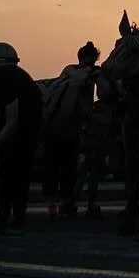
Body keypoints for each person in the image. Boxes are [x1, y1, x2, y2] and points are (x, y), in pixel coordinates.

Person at [0, 42, 41, 232]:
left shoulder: (5, 81)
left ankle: (15, 215)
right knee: (7, 172)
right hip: (10, 127)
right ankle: (6, 214)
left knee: (17, 172)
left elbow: (12, 122)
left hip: (25, 129)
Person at [40, 42, 101, 217]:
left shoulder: (68, 71)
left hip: (55, 129)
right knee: (67, 168)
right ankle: (64, 202)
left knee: (54, 167)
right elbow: (86, 105)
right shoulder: (85, 76)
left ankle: (55, 203)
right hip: (69, 130)